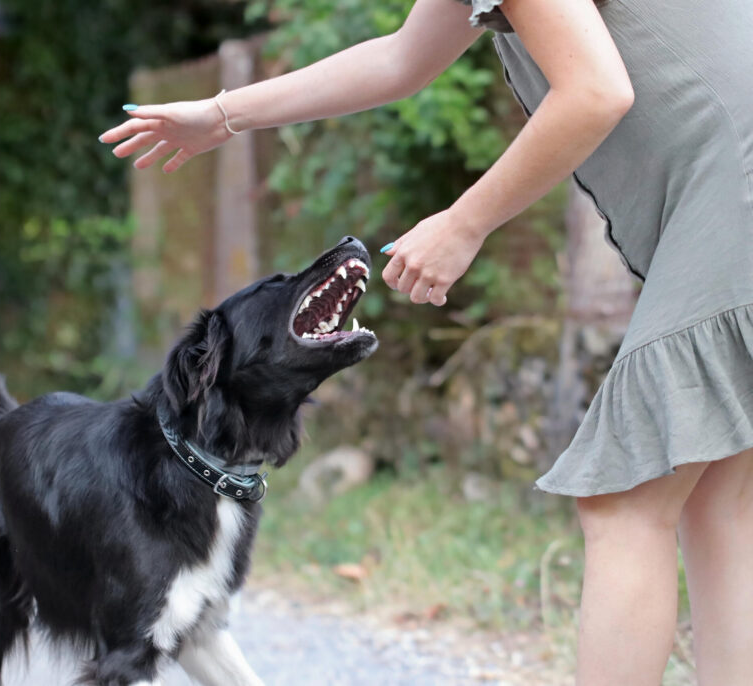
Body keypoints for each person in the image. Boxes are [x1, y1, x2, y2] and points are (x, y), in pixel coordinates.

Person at [99, 0, 753, 683]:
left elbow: (595, 92)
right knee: (721, 503)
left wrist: (466, 223)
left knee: (627, 502)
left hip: (735, 191)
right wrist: (223, 113)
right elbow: (404, 57)